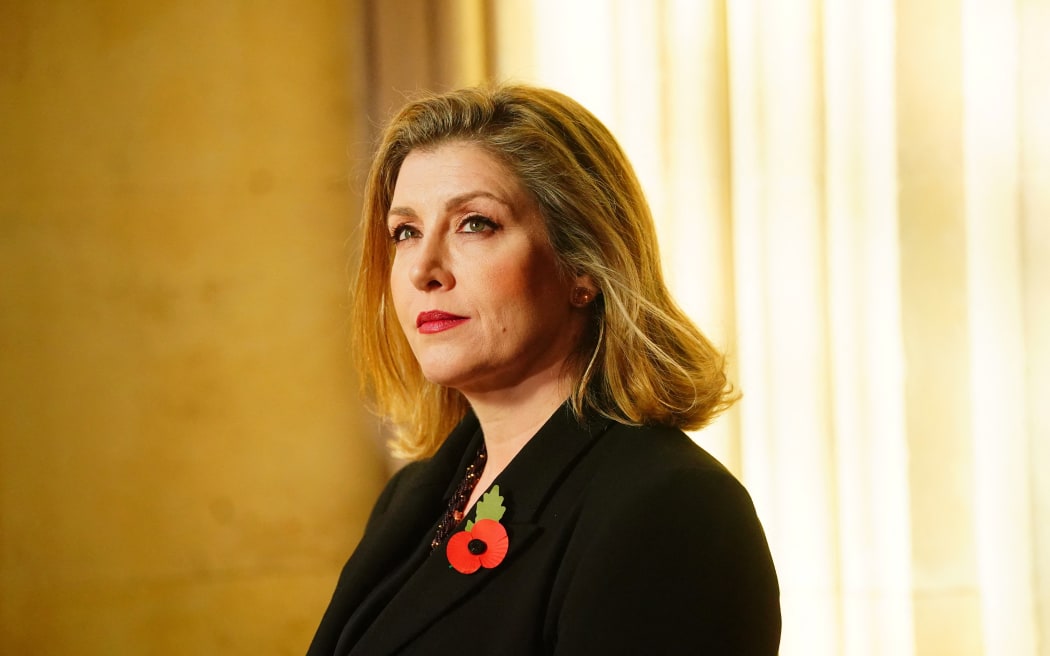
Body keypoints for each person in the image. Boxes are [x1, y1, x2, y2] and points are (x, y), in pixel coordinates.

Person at [307, 84, 780, 655]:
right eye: (405, 232)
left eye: (474, 223)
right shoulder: (413, 496)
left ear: (583, 264)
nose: (422, 270)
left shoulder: (674, 508)